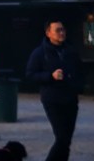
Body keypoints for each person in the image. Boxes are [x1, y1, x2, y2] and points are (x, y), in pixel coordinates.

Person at [26, 20, 83, 161]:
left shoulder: (71, 50)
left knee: (67, 139)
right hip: (52, 99)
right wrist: (49, 76)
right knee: (61, 137)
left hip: (70, 98)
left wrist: (78, 85)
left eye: (63, 29)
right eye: (57, 30)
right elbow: (30, 74)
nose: (61, 33)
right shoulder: (40, 53)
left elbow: (80, 70)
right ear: (48, 33)